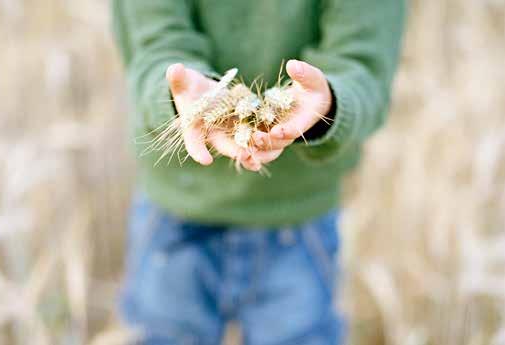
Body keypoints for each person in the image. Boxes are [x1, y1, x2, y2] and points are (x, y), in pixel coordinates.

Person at [112, 0, 406, 344]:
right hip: (175, 213)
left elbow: (363, 66)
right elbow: (153, 43)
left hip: (300, 220)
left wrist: (326, 104)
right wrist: (183, 97)